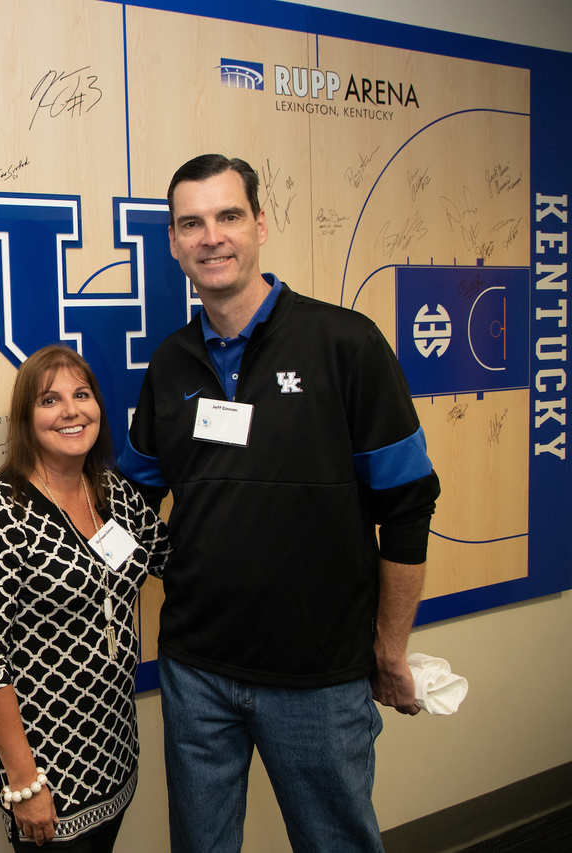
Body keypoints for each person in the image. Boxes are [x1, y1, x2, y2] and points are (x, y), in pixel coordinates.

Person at [117, 153, 440, 853]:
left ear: (260, 224)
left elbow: (408, 505)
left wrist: (389, 648)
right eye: (191, 224)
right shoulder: (170, 363)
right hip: (197, 670)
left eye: (228, 216)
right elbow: (133, 499)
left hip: (318, 675)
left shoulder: (345, 343)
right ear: (173, 242)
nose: (211, 237)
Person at [0, 344, 171, 851]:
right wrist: (25, 783)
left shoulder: (115, 494)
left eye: (81, 395)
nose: (71, 411)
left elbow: (174, 561)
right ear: (26, 418)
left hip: (114, 755)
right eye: (50, 400)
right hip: (47, 774)